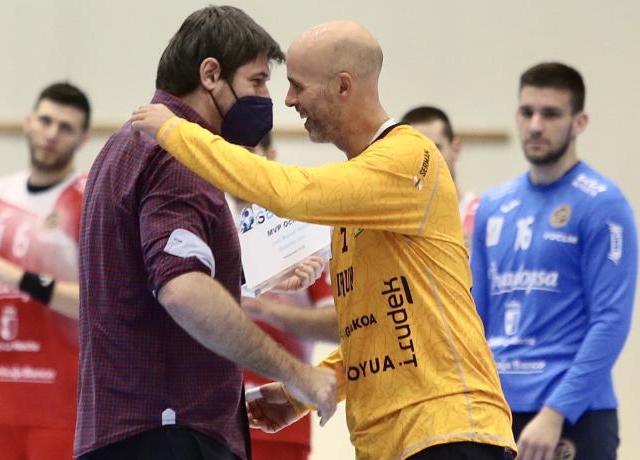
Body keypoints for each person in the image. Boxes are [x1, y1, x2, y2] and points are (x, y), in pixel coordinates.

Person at [131, 20, 517, 460]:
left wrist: (177, 131)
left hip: (449, 432)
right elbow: (378, 332)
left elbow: (292, 192)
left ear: (343, 86)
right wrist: (299, 393)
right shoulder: (360, 194)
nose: (289, 100)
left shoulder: (410, 157)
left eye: (297, 86)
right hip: (392, 441)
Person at [75, 6, 336, 460]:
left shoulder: (123, 147)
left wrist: (253, 276)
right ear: (211, 74)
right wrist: (298, 374)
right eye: (257, 82)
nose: (271, 99)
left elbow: (149, 278)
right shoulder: (180, 151)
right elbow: (183, 290)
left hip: (125, 430)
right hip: (171, 432)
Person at [470, 62, 638, 460]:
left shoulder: (603, 204)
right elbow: (475, 316)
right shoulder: (493, 207)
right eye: (527, 112)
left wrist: (556, 411)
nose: (535, 125)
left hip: (574, 415)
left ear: (579, 122)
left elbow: (611, 322)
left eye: (551, 114)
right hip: (499, 412)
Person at [0, 82, 90, 459]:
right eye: (45, 121)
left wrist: (15, 275)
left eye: (65, 127)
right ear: (28, 122)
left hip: (61, 407)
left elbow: (98, 304)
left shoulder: (89, 202)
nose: (51, 134)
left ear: (83, 138)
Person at [230, 133, 337, 460]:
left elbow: (340, 325)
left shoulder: (301, 232)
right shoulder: (203, 224)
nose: (235, 167)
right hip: (206, 421)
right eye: (224, 157)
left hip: (277, 421)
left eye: (248, 153)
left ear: (271, 154)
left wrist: (263, 308)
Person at [401, 106, 480, 244]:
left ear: (455, 148)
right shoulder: (398, 225)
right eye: (416, 152)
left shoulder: (482, 214)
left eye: (435, 148)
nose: (427, 160)